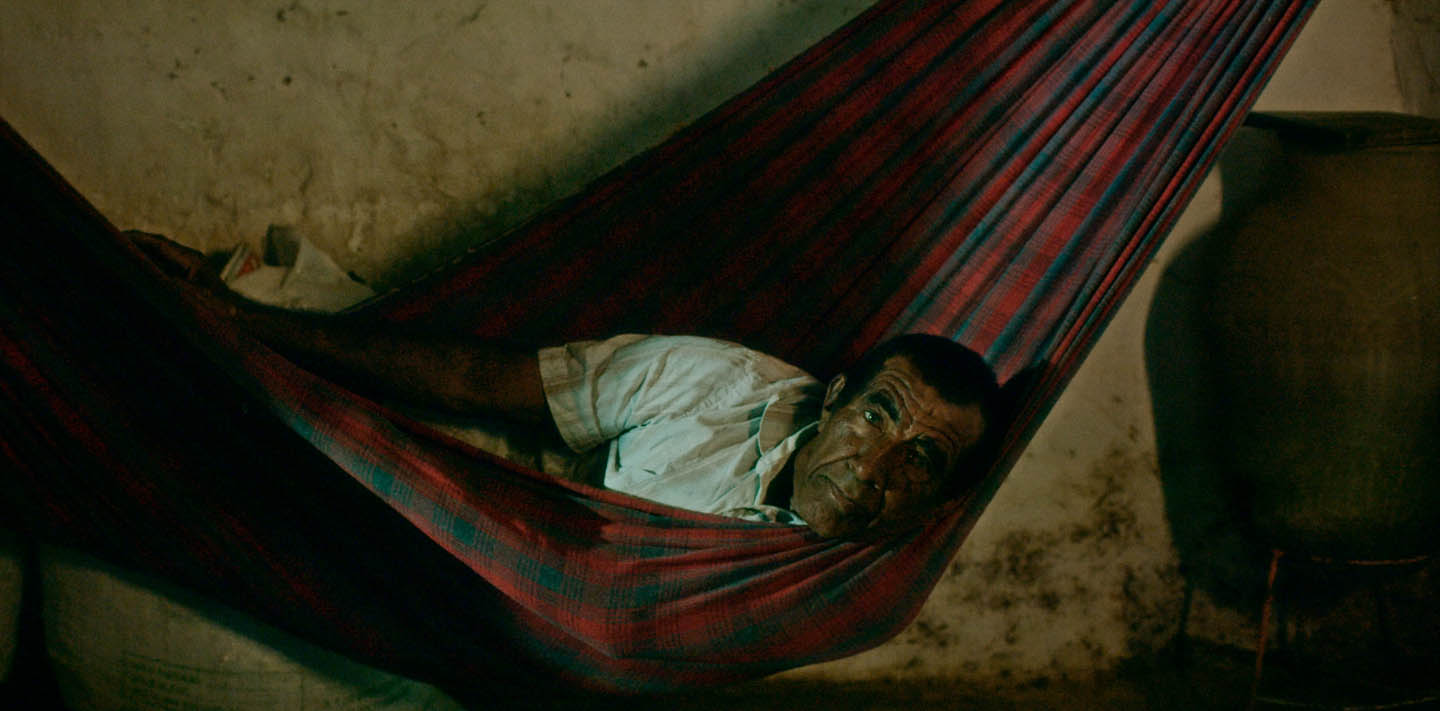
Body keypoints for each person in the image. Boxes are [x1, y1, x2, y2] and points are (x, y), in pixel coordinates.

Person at [143, 232, 1002, 543]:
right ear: (836, 398)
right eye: (878, 417)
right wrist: (235, 321)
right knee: (285, 410)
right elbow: (479, 383)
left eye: (922, 460)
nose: (876, 468)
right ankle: (232, 299)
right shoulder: (714, 383)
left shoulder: (879, 559)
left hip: (576, 572)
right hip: (522, 496)